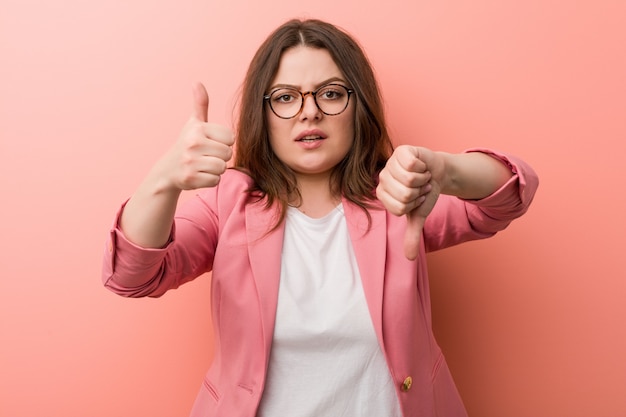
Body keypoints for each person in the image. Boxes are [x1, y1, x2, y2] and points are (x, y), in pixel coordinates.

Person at [102, 18, 538, 417]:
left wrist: (445, 171)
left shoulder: (398, 195)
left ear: (357, 106)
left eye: (330, 93)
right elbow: (131, 275)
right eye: (286, 97)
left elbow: (510, 194)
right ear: (264, 114)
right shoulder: (227, 203)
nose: (309, 111)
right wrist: (164, 179)